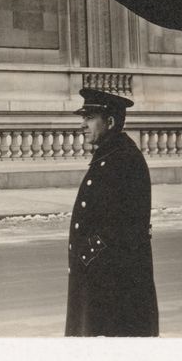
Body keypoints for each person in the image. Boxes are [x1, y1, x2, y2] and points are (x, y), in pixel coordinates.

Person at [65, 87, 159, 337]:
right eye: (83, 118)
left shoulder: (124, 159)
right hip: (100, 277)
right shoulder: (109, 155)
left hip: (113, 282)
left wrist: (90, 257)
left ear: (110, 122)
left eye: (89, 118)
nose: (82, 125)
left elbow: (125, 226)